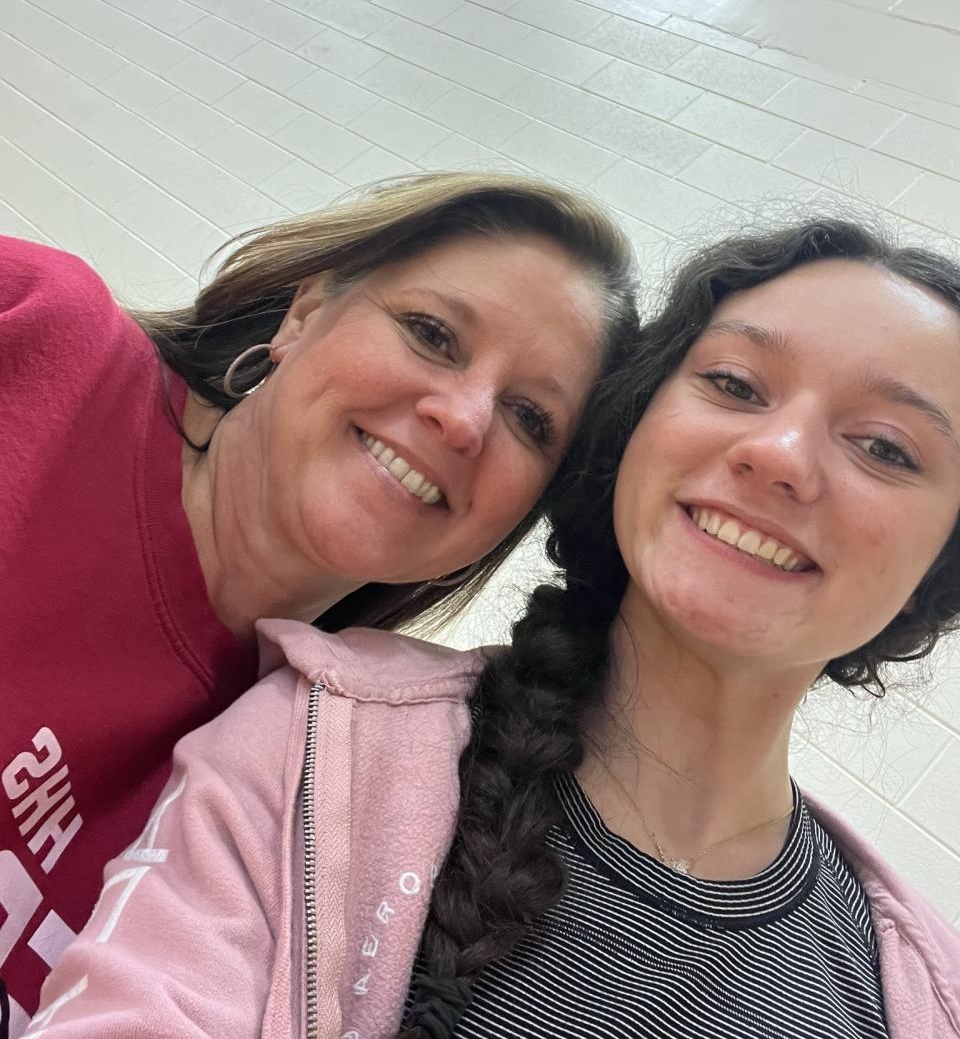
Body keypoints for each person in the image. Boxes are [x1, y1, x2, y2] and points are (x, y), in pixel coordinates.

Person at [24, 218, 960, 1039]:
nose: (778, 454)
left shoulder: (921, 986)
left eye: (886, 447)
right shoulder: (317, 740)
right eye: (735, 384)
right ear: (635, 431)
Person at [0, 171, 638, 1033]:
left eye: (530, 418)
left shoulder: (315, 775)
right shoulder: (39, 333)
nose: (464, 419)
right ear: (304, 312)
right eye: (432, 334)